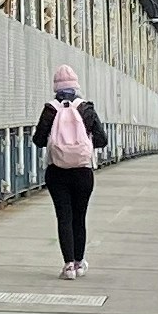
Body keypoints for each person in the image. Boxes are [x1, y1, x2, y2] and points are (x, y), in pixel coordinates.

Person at [34, 64, 109, 275]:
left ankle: (68, 266)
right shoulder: (86, 108)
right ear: (76, 86)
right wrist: (81, 144)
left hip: (57, 171)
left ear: (55, 87)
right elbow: (102, 140)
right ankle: (79, 262)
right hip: (82, 171)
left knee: (64, 217)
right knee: (79, 217)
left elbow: (39, 140)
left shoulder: (50, 109)